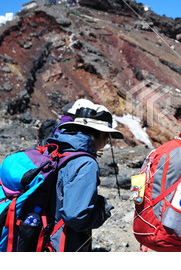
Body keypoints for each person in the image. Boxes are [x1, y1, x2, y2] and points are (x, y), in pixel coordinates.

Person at [45, 99, 124, 251]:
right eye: (107, 136)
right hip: (63, 242)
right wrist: (101, 213)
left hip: (44, 232)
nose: (108, 140)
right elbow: (76, 217)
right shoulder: (86, 163)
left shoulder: (58, 148)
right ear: (100, 133)